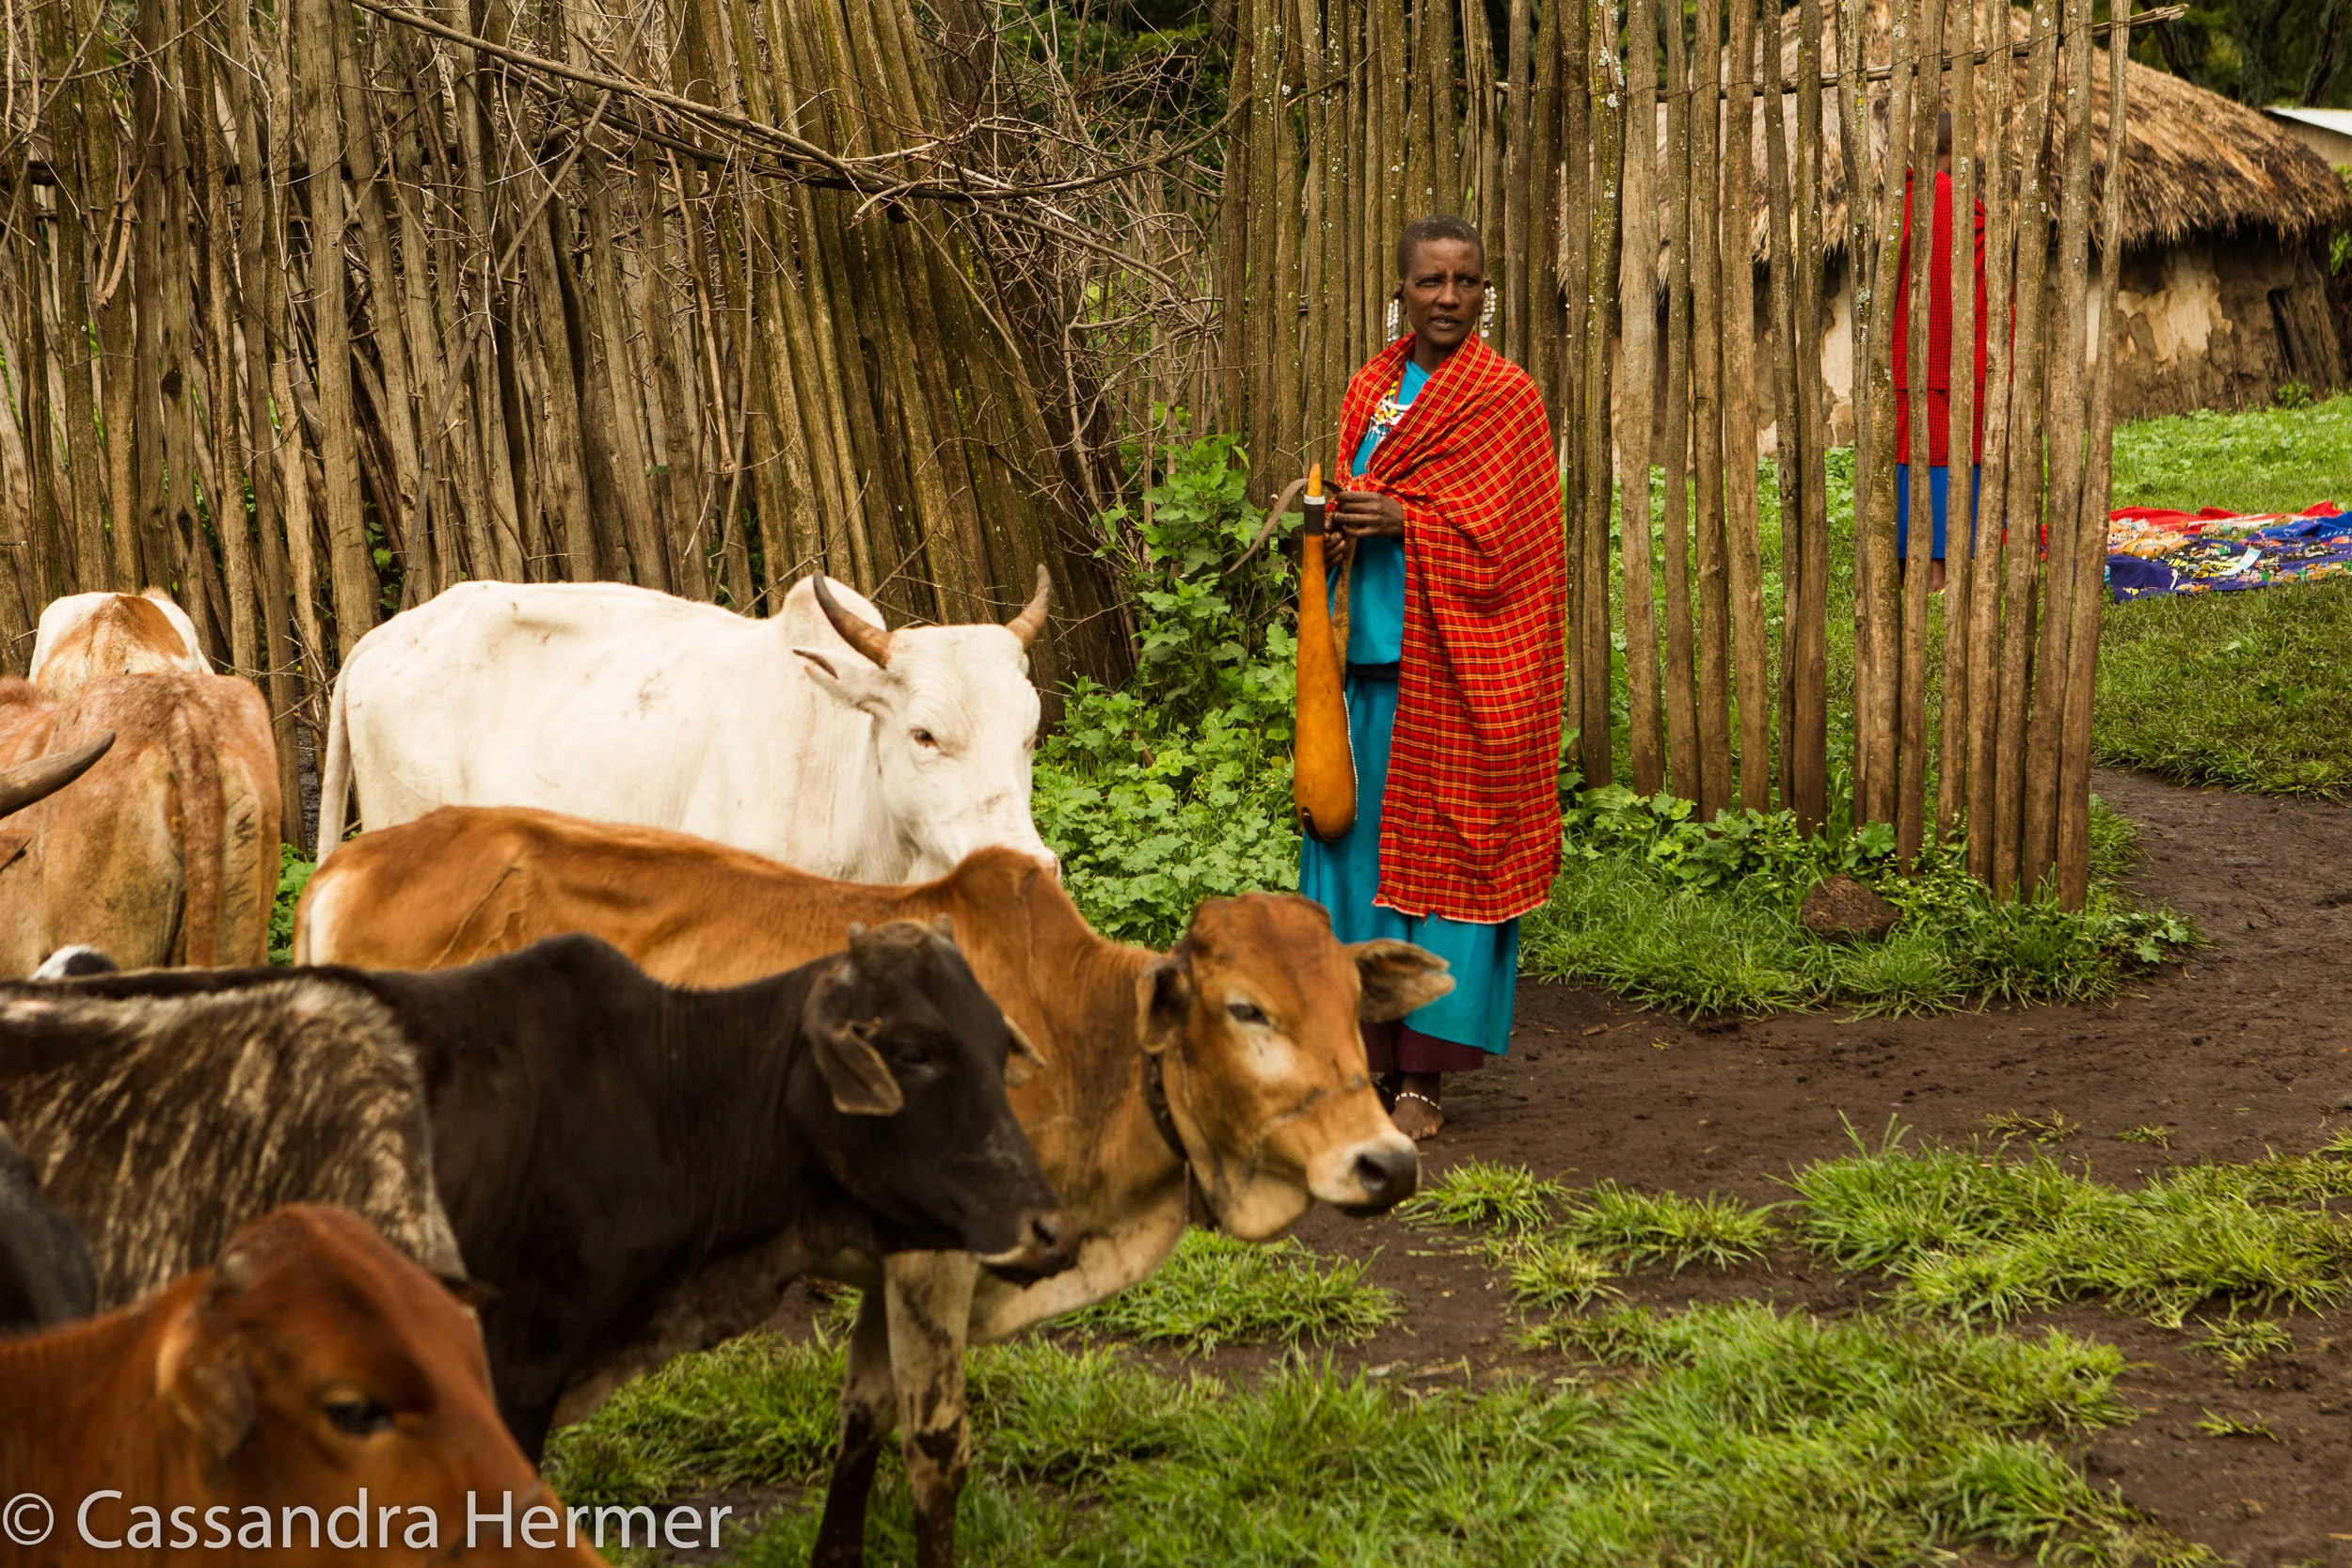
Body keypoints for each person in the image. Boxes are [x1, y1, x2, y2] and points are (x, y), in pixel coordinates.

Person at [1297, 214, 1566, 1142]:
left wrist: (1410, 523)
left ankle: (1423, 1077)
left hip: (1458, 670)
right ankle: (1365, 1058)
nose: (1448, 297)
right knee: (1361, 863)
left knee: (1447, 860)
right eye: (1430, 281)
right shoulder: (1370, 389)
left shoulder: (1506, 398)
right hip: (1368, 658)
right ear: (1401, 291)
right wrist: (1337, 525)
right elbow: (1355, 492)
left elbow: (1518, 544)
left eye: (1465, 281)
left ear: (1485, 291)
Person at [1892, 110, 1990, 592]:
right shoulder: (1961, 204)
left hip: (1908, 361)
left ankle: (1914, 565)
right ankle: (1944, 568)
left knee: (1913, 452)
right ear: (1957, 151)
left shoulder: (1901, 202)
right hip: (1957, 364)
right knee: (1952, 453)